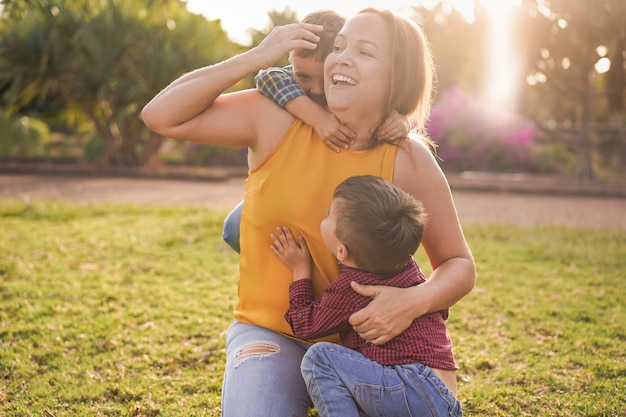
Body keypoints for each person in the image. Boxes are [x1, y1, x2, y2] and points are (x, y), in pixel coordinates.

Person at [142, 7, 475, 417]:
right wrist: (257, 56)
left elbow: (458, 264)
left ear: (398, 76)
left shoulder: (409, 158)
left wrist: (411, 302)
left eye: (365, 52)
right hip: (273, 334)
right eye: (340, 47)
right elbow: (159, 115)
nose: (343, 58)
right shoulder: (275, 117)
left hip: (374, 350)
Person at [271, 174, 462, 416]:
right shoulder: (408, 267)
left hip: (409, 388)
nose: (325, 215)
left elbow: (304, 324)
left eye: (329, 214)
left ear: (342, 251)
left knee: (320, 357)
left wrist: (300, 270)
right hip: (444, 400)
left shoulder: (352, 288)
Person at [222, 9, 410, 253]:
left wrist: (405, 120)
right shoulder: (288, 82)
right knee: (234, 228)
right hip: (289, 180)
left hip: (337, 185)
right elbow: (267, 77)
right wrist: (318, 118)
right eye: (304, 78)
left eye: (323, 77)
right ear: (291, 62)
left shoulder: (355, 84)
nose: (318, 90)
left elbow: (396, 104)